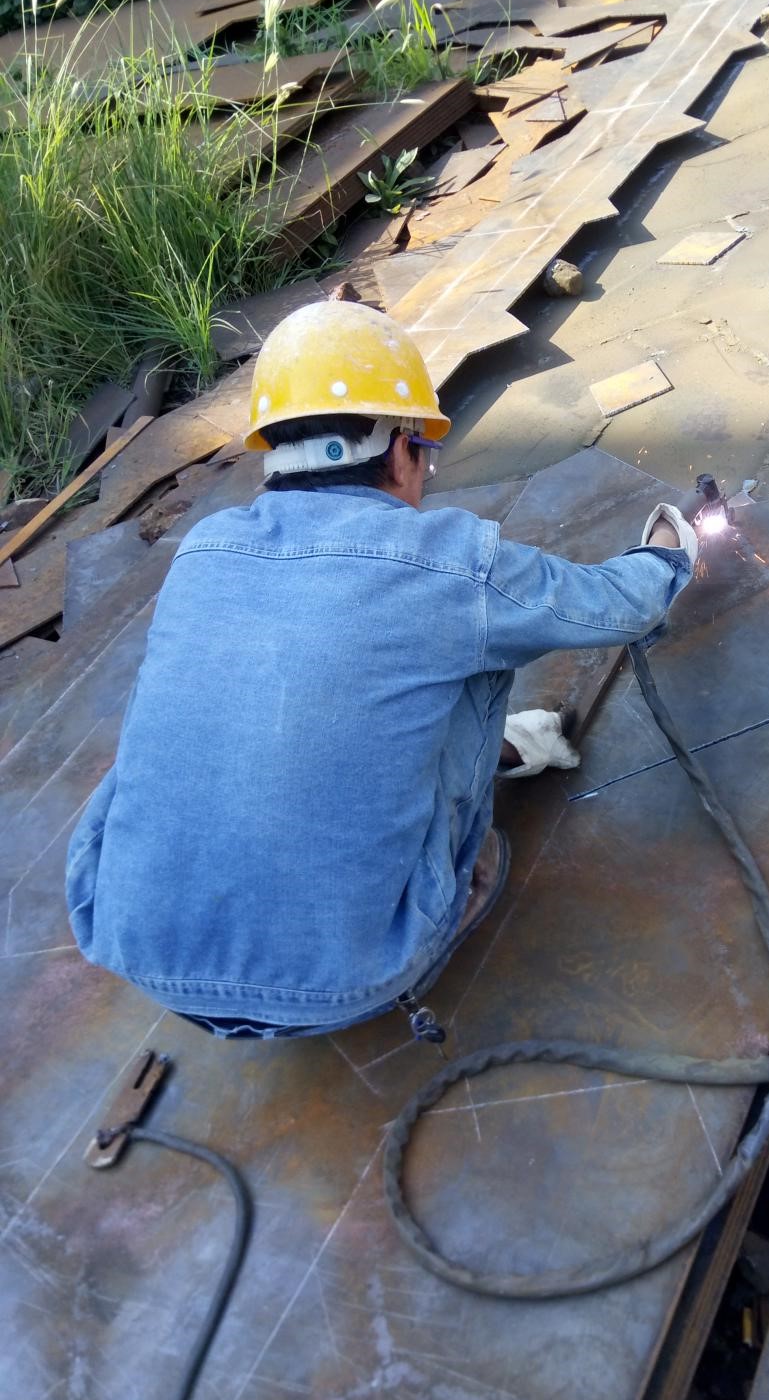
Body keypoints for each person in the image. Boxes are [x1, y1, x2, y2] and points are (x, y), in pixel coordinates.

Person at [66, 301, 697, 1042]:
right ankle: (450, 885)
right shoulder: (445, 564)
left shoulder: (203, 550)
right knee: (471, 655)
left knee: (216, 706)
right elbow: (612, 608)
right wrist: (670, 552)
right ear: (401, 450)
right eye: (424, 454)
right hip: (348, 978)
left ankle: (504, 752)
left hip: (135, 951)